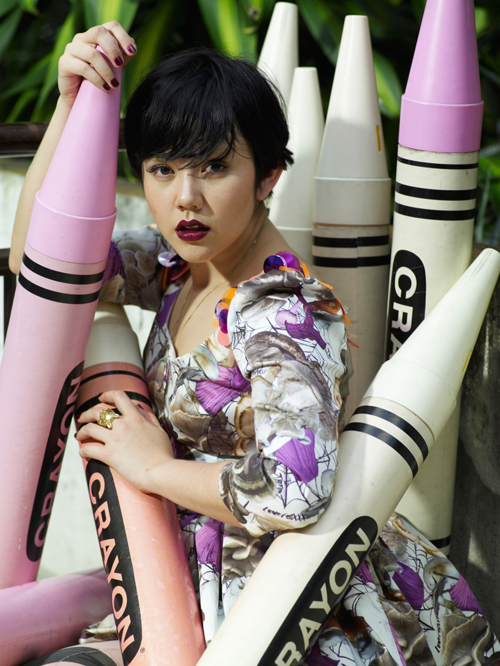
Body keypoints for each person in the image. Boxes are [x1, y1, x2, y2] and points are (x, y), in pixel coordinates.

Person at [11, 22, 500, 666]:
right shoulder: (176, 266)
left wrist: (152, 469)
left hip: (293, 604)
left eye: (215, 167)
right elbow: (40, 264)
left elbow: (295, 492)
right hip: (187, 579)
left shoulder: (284, 312)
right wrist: (70, 106)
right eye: (162, 170)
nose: (186, 197)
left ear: (268, 175)